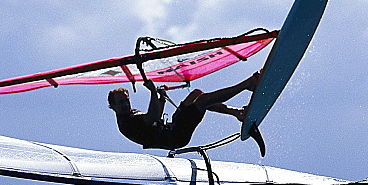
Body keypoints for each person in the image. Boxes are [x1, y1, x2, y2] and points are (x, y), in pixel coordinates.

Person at [108, 72, 268, 155]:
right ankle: (247, 84)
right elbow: (153, 117)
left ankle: (237, 113)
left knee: (196, 94)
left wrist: (161, 98)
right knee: (203, 101)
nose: (125, 104)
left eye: (126, 100)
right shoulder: (126, 122)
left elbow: (155, 119)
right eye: (121, 102)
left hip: (172, 128)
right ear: (113, 106)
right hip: (175, 136)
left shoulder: (129, 114)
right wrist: (152, 93)